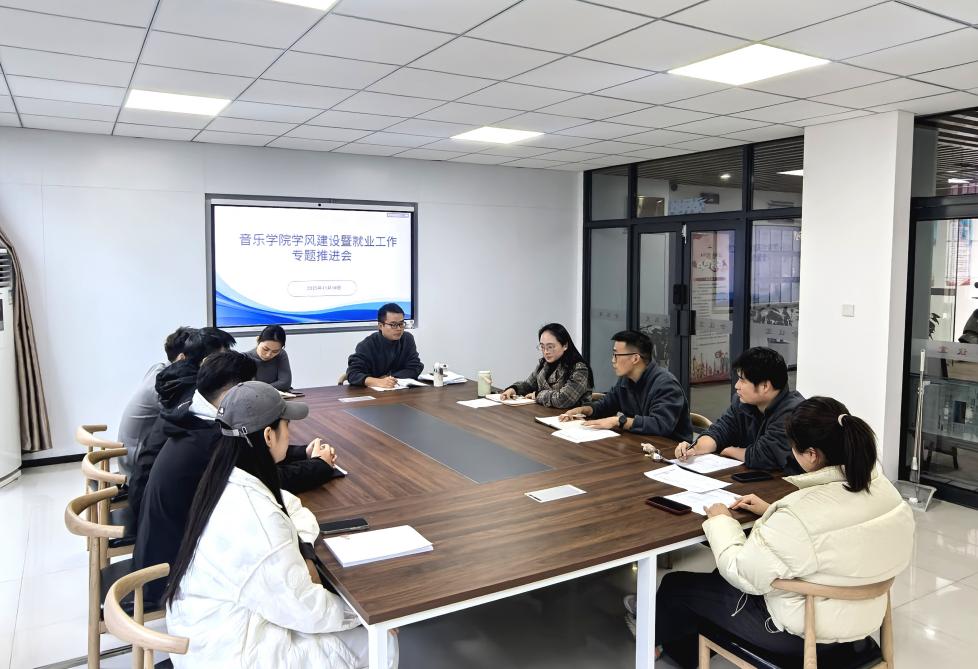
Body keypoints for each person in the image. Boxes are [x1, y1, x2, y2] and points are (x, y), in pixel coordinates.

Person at [652, 397, 914, 668]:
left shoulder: (800, 513)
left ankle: (674, 654)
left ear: (811, 455)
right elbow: (834, 535)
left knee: (676, 586)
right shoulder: (885, 491)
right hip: (864, 618)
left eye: (793, 446)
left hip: (802, 634)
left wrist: (721, 521)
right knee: (718, 580)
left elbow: (743, 573)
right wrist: (771, 512)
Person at [164, 381, 398, 668]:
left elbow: (291, 505)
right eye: (286, 426)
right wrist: (363, 617)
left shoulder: (225, 478)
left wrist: (304, 549)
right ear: (268, 436)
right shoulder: (257, 519)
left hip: (207, 626)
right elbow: (306, 609)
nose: (290, 434)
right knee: (381, 641)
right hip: (231, 653)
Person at [132, 352, 340, 605]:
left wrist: (301, 452)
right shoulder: (212, 438)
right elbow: (264, 479)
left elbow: (251, 452)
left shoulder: (194, 418)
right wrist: (319, 466)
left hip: (165, 548)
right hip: (172, 572)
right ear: (232, 394)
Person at [128, 327, 236, 518]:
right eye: (221, 359)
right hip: (147, 491)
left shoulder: (168, 377)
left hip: (144, 479)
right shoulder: (192, 396)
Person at [675, 347, 805, 474]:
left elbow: (765, 456)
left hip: (786, 483)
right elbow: (721, 430)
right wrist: (695, 448)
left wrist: (730, 451)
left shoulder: (794, 412)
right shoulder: (742, 402)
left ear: (765, 386)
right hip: (754, 477)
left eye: (742, 380)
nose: (737, 386)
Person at [560, 330, 692, 442]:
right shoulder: (626, 379)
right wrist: (583, 410)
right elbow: (605, 406)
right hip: (640, 443)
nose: (613, 360)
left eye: (616, 355)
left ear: (635, 358)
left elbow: (660, 425)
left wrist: (619, 421)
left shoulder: (666, 384)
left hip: (672, 451)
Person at [116, 326, 196, 476]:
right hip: (137, 467)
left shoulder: (159, 369)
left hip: (129, 454)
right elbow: (186, 418)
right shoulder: (165, 385)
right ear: (182, 358)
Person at [499, 323, 593, 409]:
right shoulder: (544, 364)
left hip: (572, 418)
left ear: (565, 345)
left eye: (550, 347)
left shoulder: (579, 368)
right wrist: (514, 389)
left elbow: (564, 399)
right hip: (546, 414)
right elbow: (528, 385)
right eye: (542, 347)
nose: (546, 352)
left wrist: (537, 395)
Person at [345, 303, 423, 388]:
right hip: (373, 393)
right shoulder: (367, 345)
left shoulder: (407, 339)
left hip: (399, 390)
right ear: (380, 326)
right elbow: (353, 374)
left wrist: (389, 378)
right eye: (393, 325)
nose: (399, 329)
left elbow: (415, 367)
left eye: (401, 324)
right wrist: (377, 381)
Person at [246, 324, 292, 390]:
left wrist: (261, 388)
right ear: (258, 340)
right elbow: (246, 388)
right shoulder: (244, 358)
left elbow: (285, 383)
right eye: (265, 349)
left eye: (275, 351)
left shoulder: (281, 354)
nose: (268, 355)